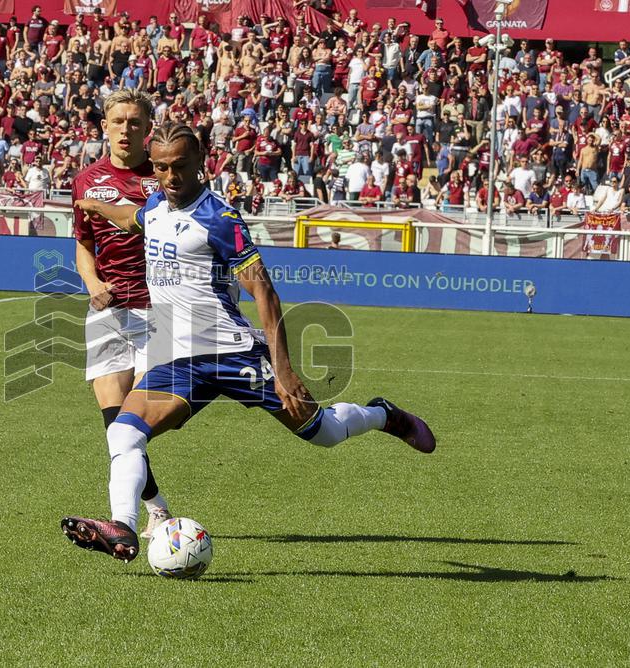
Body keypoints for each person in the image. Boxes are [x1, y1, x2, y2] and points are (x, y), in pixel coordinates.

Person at [62, 122, 435, 562]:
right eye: (161, 168)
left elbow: (265, 292)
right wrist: (93, 205)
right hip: (178, 360)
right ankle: (122, 527)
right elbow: (133, 218)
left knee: (324, 433)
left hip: (232, 352)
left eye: (179, 166)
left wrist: (285, 372)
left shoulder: (219, 219)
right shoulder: (157, 203)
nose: (170, 177)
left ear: (201, 161)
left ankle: (381, 415)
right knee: (124, 433)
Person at [70, 89, 172, 539]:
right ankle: (151, 513)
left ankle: (133, 520)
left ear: (147, 127)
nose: (126, 129)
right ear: (104, 127)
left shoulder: (167, 177)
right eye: (118, 121)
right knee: (116, 427)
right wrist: (92, 285)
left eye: (135, 122)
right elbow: (83, 246)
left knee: (139, 424)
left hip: (162, 311)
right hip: (109, 312)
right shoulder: (86, 181)